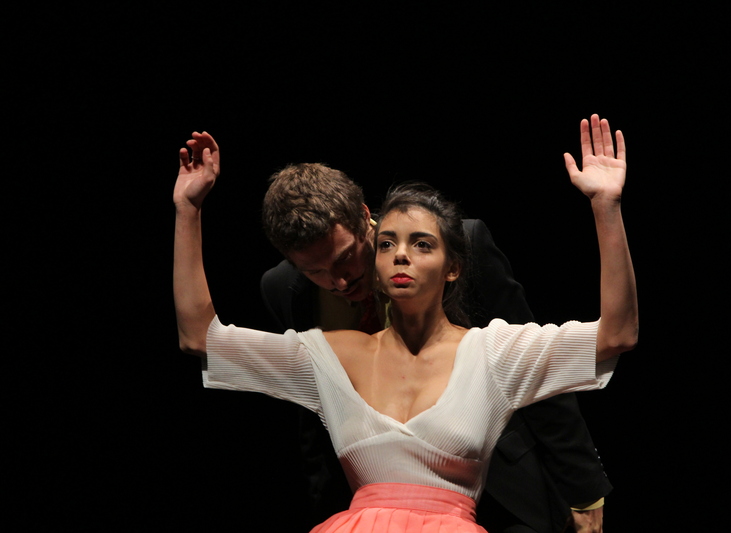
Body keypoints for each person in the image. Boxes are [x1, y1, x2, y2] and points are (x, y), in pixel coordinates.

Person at [172, 115, 638, 532]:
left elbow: (615, 334)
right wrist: (188, 211)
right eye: (389, 245)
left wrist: (606, 207)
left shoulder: (494, 350)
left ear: (453, 267)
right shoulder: (327, 353)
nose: (341, 280)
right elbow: (202, 338)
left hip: (495, 500)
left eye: (421, 244)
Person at [260, 170, 610, 530]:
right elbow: (309, 414)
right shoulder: (283, 289)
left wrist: (584, 489)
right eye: (314, 271)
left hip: (498, 487)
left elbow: (539, 370)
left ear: (365, 218)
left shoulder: (459, 244)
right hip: (370, 504)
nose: (339, 280)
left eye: (345, 257)